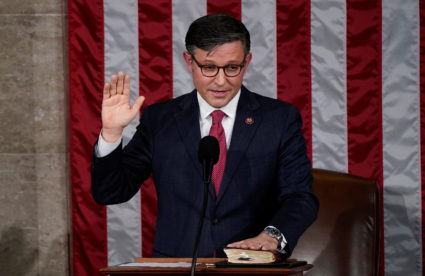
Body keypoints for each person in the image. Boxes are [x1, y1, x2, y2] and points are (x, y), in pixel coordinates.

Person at [91, 13, 318, 258]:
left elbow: (299, 197)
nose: (221, 81)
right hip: (179, 268)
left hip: (250, 269)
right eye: (209, 67)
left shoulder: (279, 120)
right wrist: (112, 134)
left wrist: (270, 236)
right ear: (189, 61)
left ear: (247, 61)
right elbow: (111, 192)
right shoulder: (160, 120)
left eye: (232, 68)